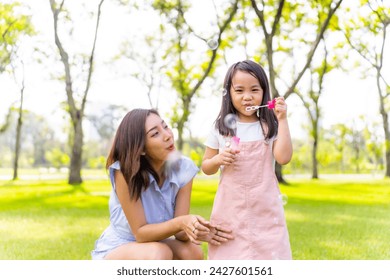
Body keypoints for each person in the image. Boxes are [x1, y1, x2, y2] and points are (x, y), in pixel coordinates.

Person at [91, 108, 233, 260]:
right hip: (120, 245)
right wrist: (181, 222)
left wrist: (196, 229)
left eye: (165, 127)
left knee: (193, 252)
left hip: (155, 242)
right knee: (159, 252)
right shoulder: (125, 171)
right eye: (155, 134)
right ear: (141, 148)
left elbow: (180, 234)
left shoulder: (184, 168)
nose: (167, 135)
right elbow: (140, 233)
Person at [201, 60, 293, 260]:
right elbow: (206, 167)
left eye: (254, 89)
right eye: (239, 91)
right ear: (229, 94)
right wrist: (218, 159)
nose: (248, 97)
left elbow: (283, 158)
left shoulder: (269, 127)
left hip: (265, 207)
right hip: (231, 208)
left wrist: (283, 120)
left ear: (264, 93)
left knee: (270, 255)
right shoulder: (221, 128)